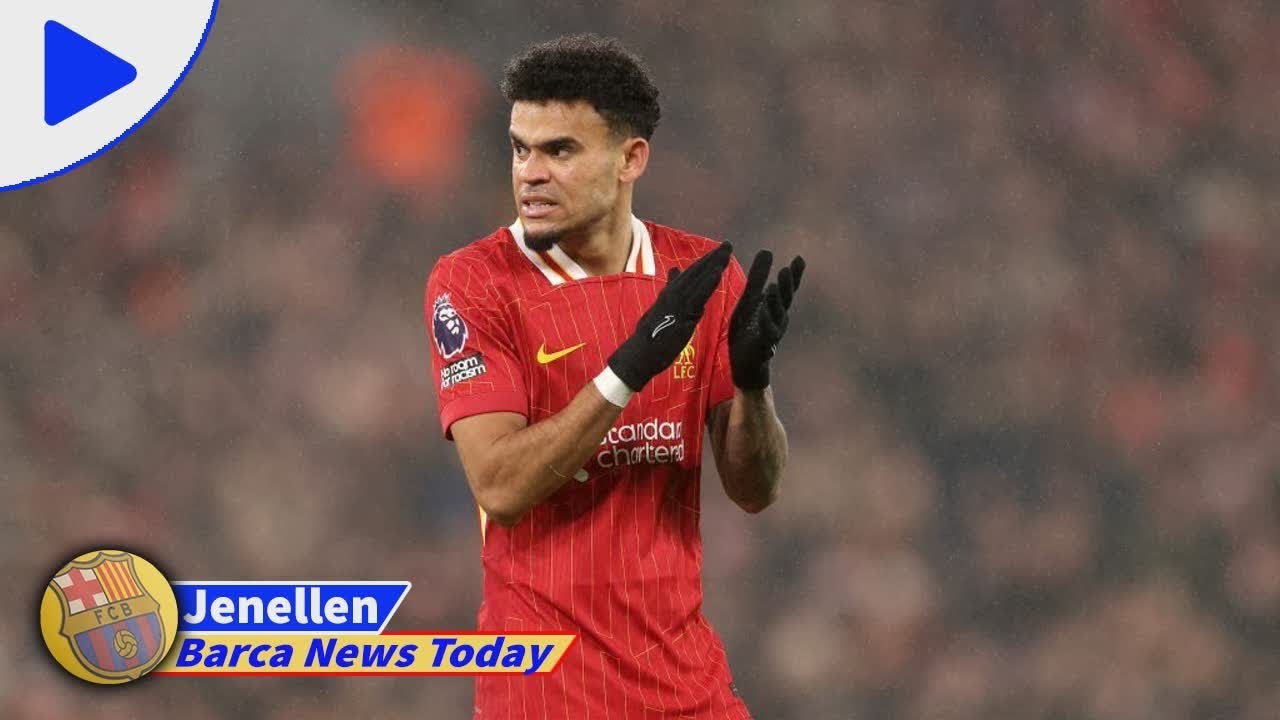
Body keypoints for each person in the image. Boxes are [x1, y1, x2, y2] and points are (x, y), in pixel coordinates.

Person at [425, 34, 805, 719]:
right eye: (520, 150)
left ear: (631, 158)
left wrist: (754, 385)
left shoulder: (701, 276)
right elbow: (500, 487)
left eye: (559, 151)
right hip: (547, 695)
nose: (530, 174)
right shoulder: (474, 283)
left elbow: (756, 489)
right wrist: (627, 371)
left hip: (690, 691)